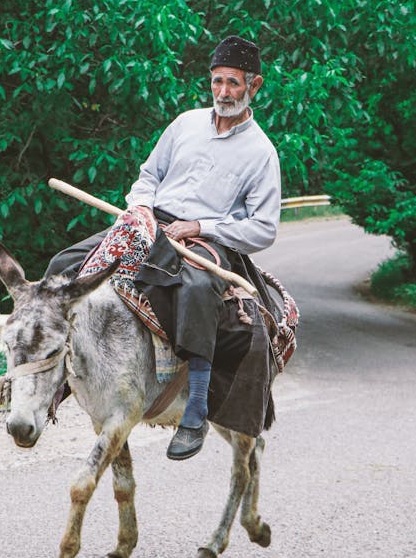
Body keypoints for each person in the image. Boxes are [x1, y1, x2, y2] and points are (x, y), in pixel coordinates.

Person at [44, 35, 281, 461]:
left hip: (208, 240)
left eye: (233, 83)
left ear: (254, 85)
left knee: (194, 291)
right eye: (217, 82)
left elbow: (263, 228)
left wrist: (202, 226)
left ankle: (195, 408)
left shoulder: (262, 153)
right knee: (65, 265)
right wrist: (140, 207)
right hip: (151, 223)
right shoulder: (185, 123)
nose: (223, 92)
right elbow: (147, 176)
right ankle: (52, 378)